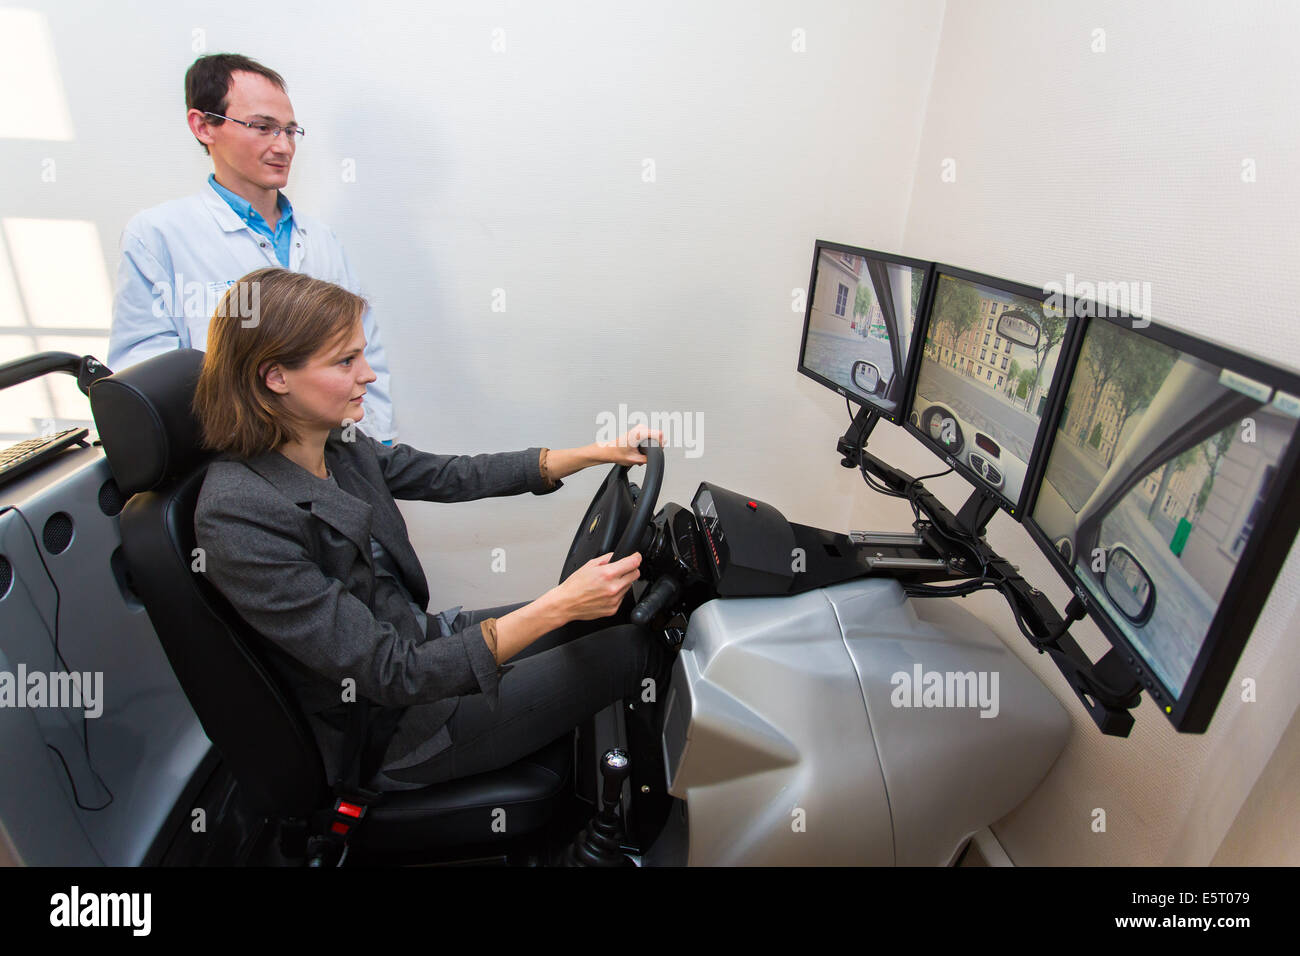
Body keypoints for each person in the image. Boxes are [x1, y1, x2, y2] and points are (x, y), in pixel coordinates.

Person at [192, 268, 665, 792]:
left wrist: (594, 453)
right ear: (275, 376)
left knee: (616, 615)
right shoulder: (237, 513)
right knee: (637, 650)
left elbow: (452, 474)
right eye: (346, 361)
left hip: (423, 644)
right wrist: (559, 604)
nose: (368, 375)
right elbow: (392, 673)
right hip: (395, 727)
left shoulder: (334, 443)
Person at [109, 53, 398, 444]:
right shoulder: (158, 235)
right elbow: (147, 378)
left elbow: (364, 350)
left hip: (334, 457)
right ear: (203, 125)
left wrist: (375, 449)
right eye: (263, 127)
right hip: (233, 461)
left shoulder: (321, 239)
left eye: (290, 131)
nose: (283, 146)